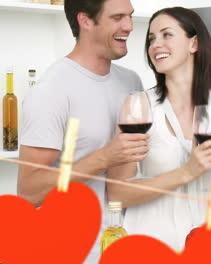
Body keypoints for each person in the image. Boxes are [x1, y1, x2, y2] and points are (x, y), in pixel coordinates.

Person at [107, 7, 211, 252]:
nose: (155, 45)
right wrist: (187, 172)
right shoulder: (140, 106)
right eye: (151, 39)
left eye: (166, 35)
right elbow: (117, 194)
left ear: (194, 43)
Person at [17, 0, 148, 262]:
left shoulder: (130, 81)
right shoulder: (51, 90)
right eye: (118, 17)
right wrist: (104, 157)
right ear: (85, 21)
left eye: (130, 16)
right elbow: (28, 192)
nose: (130, 26)